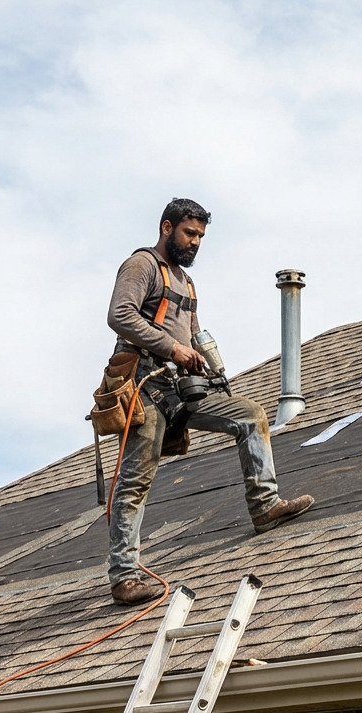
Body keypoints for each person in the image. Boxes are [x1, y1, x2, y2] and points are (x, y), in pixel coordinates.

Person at [103, 198, 314, 605]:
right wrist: (172, 348)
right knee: (134, 480)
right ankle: (124, 577)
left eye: (200, 235)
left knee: (250, 415)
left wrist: (210, 366)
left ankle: (265, 506)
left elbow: (194, 335)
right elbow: (120, 314)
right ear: (167, 228)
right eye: (189, 233)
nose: (196, 242)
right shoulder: (142, 265)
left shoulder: (186, 282)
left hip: (182, 386)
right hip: (144, 385)